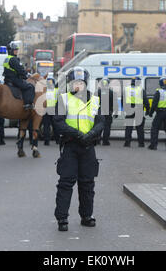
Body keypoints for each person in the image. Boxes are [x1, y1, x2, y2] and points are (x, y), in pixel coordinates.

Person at [53, 67, 105, 232]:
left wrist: (90, 134)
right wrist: (76, 134)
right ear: (70, 83)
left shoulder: (95, 100)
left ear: (85, 83)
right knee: (66, 183)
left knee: (87, 183)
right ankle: (62, 219)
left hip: (88, 147)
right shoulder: (63, 99)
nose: (78, 85)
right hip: (70, 146)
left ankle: (86, 216)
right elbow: (58, 122)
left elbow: (101, 122)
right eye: (75, 82)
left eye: (81, 83)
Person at [3, 41, 35, 110]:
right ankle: (27, 104)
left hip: (7, 79)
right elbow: (20, 70)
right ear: (11, 50)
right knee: (29, 87)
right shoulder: (13, 59)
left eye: (17, 50)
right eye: (15, 50)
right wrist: (26, 75)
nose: (16, 51)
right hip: (14, 79)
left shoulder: (7, 58)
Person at [123, 76, 150, 148]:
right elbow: (145, 101)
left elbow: (123, 100)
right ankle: (141, 144)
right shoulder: (141, 89)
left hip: (129, 109)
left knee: (128, 127)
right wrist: (148, 110)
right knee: (140, 128)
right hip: (139, 109)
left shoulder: (126, 89)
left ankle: (127, 143)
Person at [97, 77, 118, 146]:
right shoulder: (112, 92)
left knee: (98, 126)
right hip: (108, 112)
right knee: (107, 127)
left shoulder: (97, 92)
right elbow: (115, 103)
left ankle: (97, 141)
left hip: (99, 111)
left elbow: (93, 103)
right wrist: (116, 112)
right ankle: (105, 142)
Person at [43, 75, 59, 145]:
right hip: (53, 109)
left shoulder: (44, 91)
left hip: (46, 110)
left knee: (46, 126)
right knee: (55, 126)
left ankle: (47, 141)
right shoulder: (56, 91)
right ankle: (57, 140)